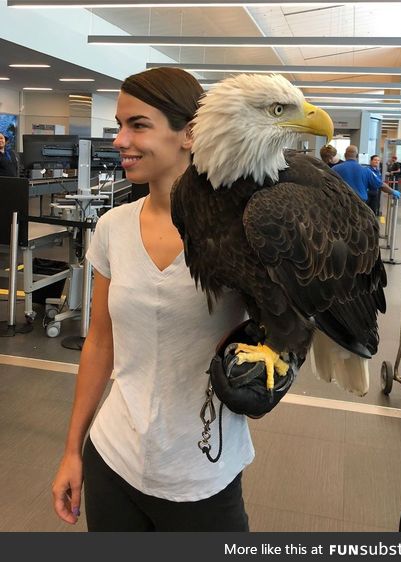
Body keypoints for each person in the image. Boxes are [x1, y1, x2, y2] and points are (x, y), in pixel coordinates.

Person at [51, 67, 254, 532]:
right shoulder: (113, 227)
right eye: (119, 125)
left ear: (189, 133)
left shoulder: (240, 230)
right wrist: (71, 449)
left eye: (138, 125)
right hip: (114, 458)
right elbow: (100, 343)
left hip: (203, 469)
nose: (120, 140)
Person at [333, 145, 400, 210]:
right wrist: (393, 191)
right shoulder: (365, 170)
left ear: (345, 155)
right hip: (359, 205)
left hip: (340, 205)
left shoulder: (334, 169)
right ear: (357, 156)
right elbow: (381, 185)